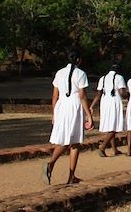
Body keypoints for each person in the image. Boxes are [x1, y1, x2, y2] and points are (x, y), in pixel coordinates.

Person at [43, 49, 94, 185]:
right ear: (78, 60)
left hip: (61, 105)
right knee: (73, 141)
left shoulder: (60, 73)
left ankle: (71, 175)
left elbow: (55, 96)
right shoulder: (80, 73)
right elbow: (82, 96)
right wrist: (89, 115)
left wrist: (54, 113)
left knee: (67, 139)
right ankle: (53, 164)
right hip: (74, 106)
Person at [90, 63, 126, 156]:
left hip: (105, 102)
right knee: (114, 126)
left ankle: (114, 149)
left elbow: (98, 93)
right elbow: (122, 92)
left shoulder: (103, 78)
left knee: (111, 125)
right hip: (114, 101)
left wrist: (92, 106)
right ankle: (103, 146)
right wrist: (127, 94)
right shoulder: (119, 77)